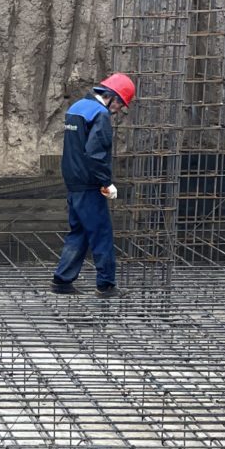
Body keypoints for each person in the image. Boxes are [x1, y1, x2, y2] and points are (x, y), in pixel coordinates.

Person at [51, 73, 135, 298]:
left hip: (73, 181)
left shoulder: (77, 108)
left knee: (79, 232)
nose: (118, 110)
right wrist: (106, 182)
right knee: (101, 233)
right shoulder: (100, 114)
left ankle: (62, 280)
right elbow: (95, 154)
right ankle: (106, 284)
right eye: (120, 104)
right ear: (111, 97)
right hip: (89, 184)